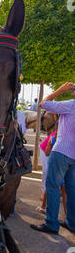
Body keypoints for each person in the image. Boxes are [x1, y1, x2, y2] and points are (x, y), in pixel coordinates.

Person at [30, 82, 75, 235]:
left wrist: (60, 90)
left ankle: (51, 223)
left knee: (53, 186)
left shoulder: (71, 105)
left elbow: (44, 104)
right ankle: (72, 223)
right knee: (71, 189)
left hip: (62, 151)